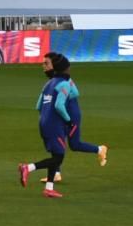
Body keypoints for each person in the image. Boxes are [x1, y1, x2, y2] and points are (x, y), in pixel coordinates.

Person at [44, 53, 108, 184]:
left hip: (71, 113)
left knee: (74, 144)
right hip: (62, 112)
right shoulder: (56, 79)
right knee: (57, 141)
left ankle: (100, 149)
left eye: (47, 63)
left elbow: (75, 92)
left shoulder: (65, 80)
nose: (44, 66)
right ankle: (56, 173)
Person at [18, 52, 74, 199]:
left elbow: (38, 106)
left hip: (44, 122)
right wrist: (68, 120)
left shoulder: (48, 84)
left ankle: (49, 188)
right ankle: (28, 167)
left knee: (55, 155)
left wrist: (46, 118)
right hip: (54, 125)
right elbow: (59, 106)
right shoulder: (64, 84)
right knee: (58, 158)